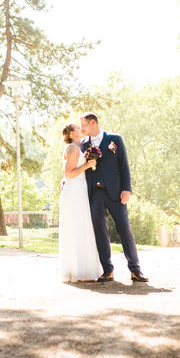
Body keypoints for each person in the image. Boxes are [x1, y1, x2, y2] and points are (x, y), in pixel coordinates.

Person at [80, 112, 149, 282]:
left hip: (115, 192)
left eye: (84, 125)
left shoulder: (115, 139)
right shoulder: (83, 144)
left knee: (124, 227)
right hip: (94, 193)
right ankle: (107, 270)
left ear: (93, 123)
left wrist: (126, 189)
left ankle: (135, 269)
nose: (81, 128)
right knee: (100, 231)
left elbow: (124, 165)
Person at [58, 123, 103, 282]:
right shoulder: (72, 148)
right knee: (76, 226)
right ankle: (76, 271)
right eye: (78, 128)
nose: (81, 129)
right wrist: (87, 165)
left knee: (82, 225)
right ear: (71, 134)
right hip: (74, 190)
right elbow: (68, 174)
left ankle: (84, 270)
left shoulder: (79, 147)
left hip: (80, 188)